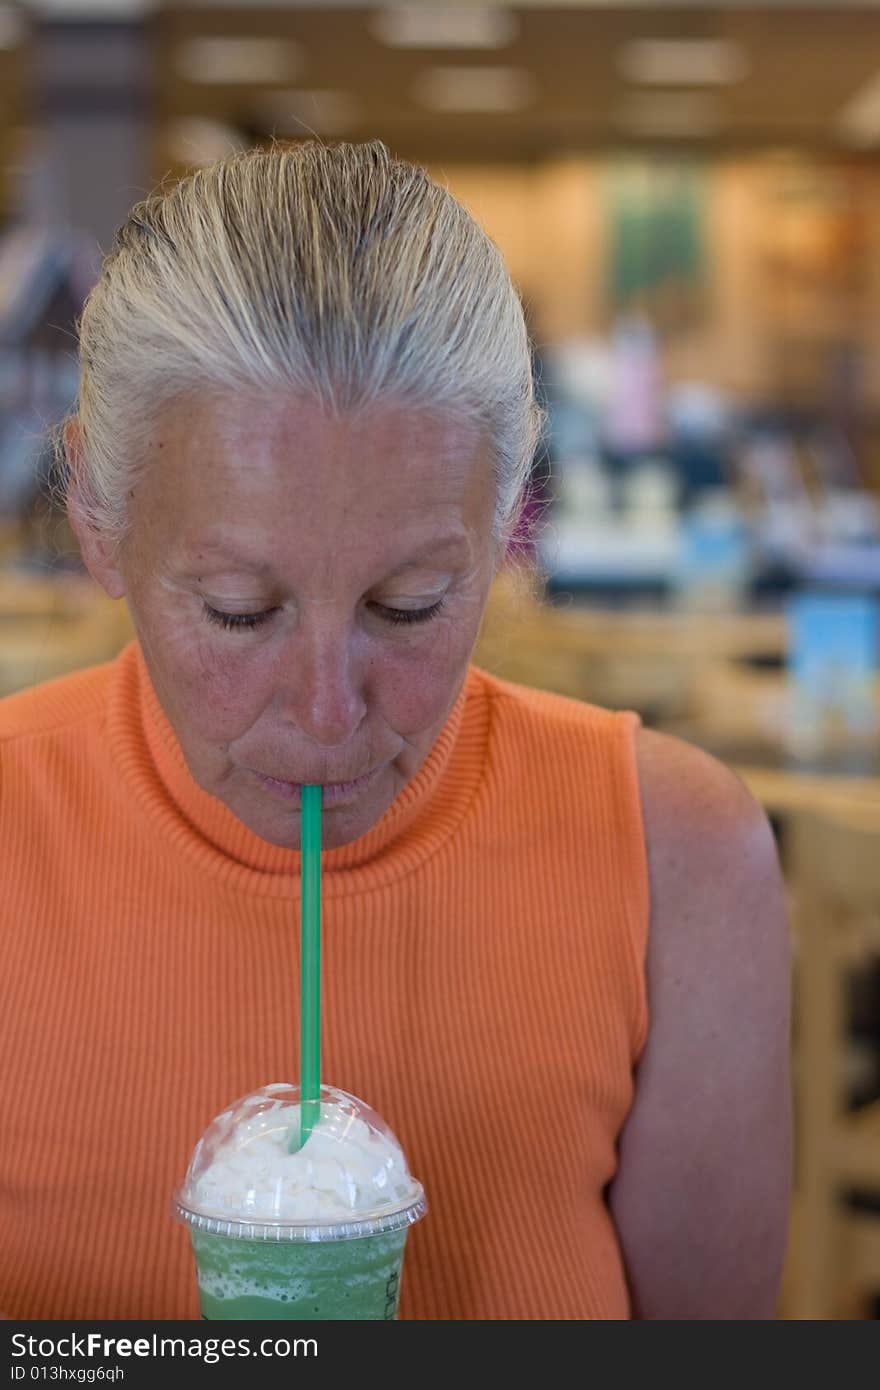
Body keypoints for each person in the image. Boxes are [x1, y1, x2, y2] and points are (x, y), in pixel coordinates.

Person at [0, 141, 790, 1321]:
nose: (328, 712)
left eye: (410, 604)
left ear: (510, 527)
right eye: (239, 609)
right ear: (99, 519)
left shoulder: (678, 864)